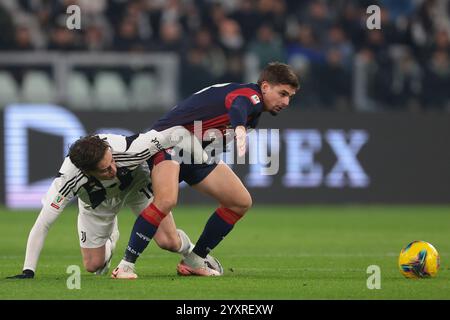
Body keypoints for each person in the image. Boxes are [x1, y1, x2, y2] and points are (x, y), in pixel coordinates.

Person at [112, 62, 299, 278]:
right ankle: (125, 266)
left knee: (239, 201)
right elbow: (238, 105)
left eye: (290, 97)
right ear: (265, 86)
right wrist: (239, 127)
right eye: (282, 93)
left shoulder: (254, 111)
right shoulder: (251, 97)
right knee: (166, 201)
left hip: (197, 154)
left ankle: (195, 260)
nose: (285, 102)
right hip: (170, 143)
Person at [7, 127, 221, 279]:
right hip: (97, 204)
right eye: (104, 170)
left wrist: (202, 158)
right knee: (93, 266)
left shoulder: (130, 148)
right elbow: (43, 224)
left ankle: (195, 255)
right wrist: (28, 270)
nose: (113, 170)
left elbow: (178, 134)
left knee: (169, 241)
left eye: (111, 162)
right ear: (87, 172)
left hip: (137, 185)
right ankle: (111, 237)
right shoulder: (69, 178)